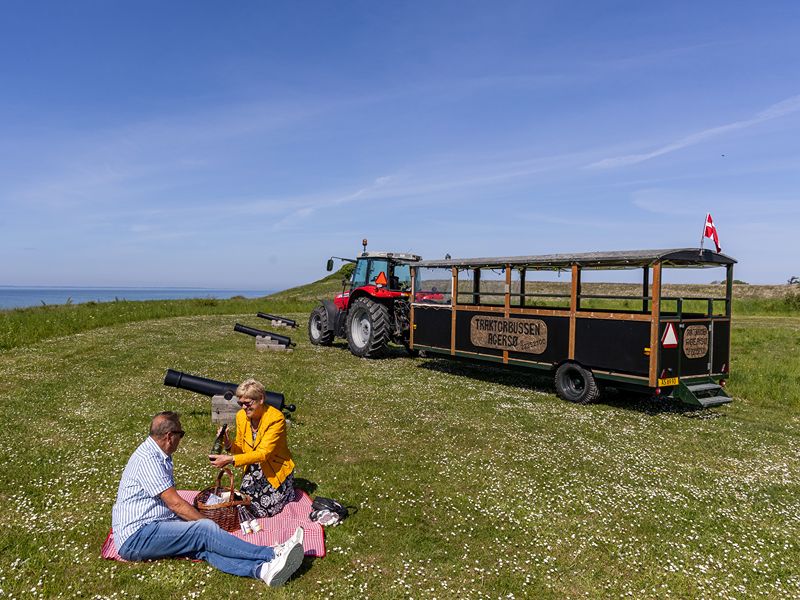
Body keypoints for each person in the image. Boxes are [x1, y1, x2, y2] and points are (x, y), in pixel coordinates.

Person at [112, 411, 304, 587]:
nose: (181, 439)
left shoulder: (157, 453)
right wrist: (209, 525)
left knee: (202, 548)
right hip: (137, 537)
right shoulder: (149, 460)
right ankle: (272, 554)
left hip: (153, 526)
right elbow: (175, 503)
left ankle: (263, 570)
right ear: (169, 436)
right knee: (204, 531)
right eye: (181, 434)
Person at [209, 379, 296, 518]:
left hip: (274, 470)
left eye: (248, 403)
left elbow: (263, 454)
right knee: (241, 504)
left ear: (261, 399)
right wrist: (226, 441)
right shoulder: (241, 416)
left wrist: (230, 459)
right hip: (254, 469)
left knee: (259, 512)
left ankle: (287, 491)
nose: (243, 407)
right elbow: (241, 450)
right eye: (240, 403)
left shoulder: (276, 418)